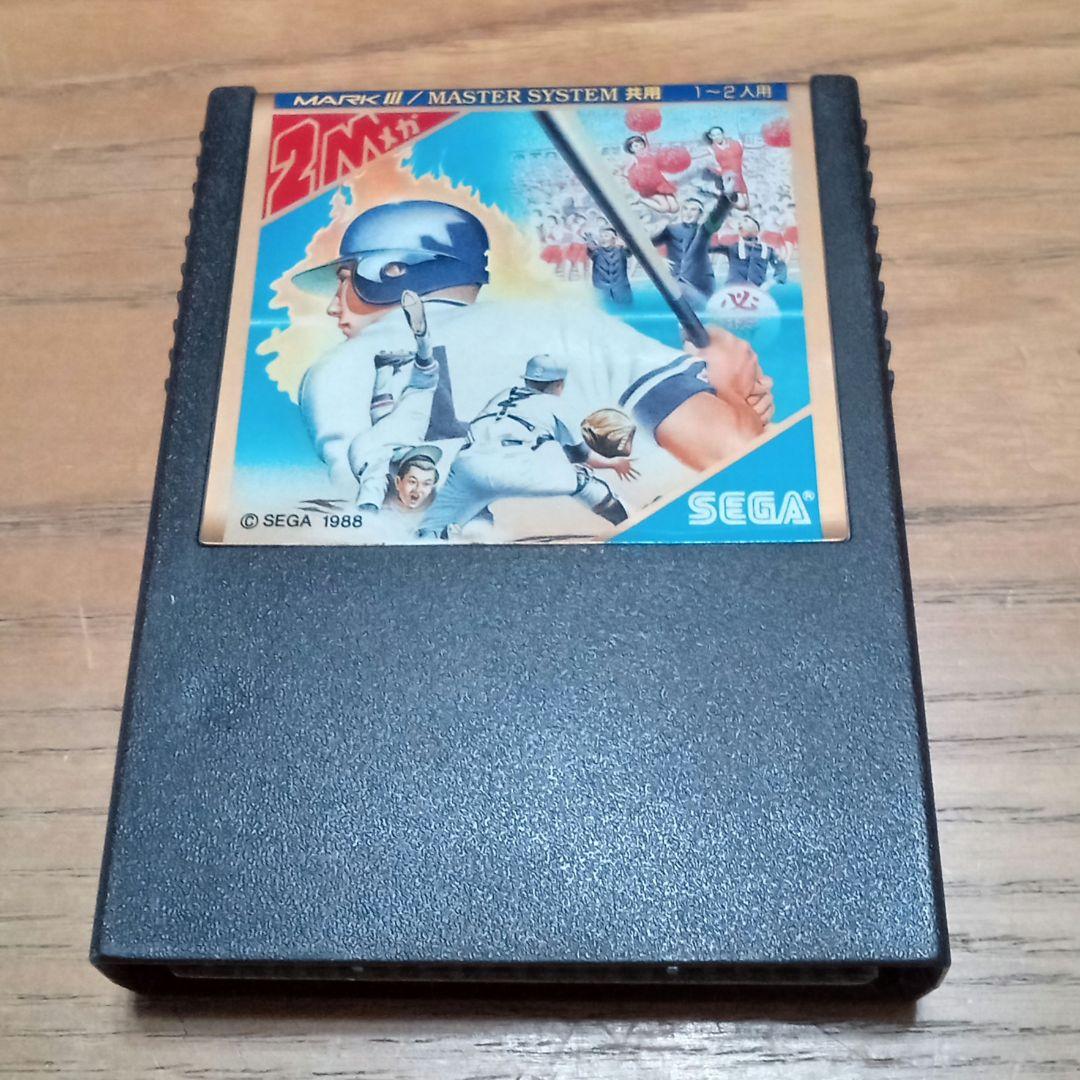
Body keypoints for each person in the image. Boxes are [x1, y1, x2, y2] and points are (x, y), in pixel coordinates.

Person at [294, 199, 774, 499]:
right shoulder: (566, 322)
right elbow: (736, 459)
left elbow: (365, 521)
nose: (334, 306)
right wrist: (729, 392)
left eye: (346, 280)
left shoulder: (333, 369)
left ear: (391, 272)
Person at [419, 355, 637, 539]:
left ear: (527, 379)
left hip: (466, 466)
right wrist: (613, 463)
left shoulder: (502, 395)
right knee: (581, 478)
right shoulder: (555, 403)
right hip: (512, 467)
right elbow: (580, 455)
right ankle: (630, 522)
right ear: (559, 384)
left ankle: (459, 532)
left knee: (429, 530)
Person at [651, 196, 732, 304]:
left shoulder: (703, 231)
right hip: (676, 283)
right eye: (685, 209)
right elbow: (646, 244)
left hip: (699, 286)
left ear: (700, 214)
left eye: (693, 210)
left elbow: (714, 220)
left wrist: (725, 202)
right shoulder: (671, 230)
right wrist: (657, 258)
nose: (688, 213)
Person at [713, 215, 788, 287]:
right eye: (739, 223)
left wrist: (771, 282)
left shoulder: (767, 249)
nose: (740, 224)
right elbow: (709, 247)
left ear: (756, 228)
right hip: (734, 291)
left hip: (756, 292)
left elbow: (781, 268)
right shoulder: (732, 247)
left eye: (745, 221)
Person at [623, 134, 679, 215]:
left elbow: (652, 148)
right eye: (636, 146)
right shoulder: (634, 159)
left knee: (675, 208)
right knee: (664, 208)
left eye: (641, 144)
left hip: (661, 184)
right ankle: (641, 200)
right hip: (650, 188)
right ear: (631, 149)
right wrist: (637, 178)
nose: (639, 147)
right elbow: (626, 172)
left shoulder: (650, 154)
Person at [702, 126, 750, 211]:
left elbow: (741, 154)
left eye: (718, 134)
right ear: (710, 136)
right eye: (714, 135)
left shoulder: (735, 143)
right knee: (742, 206)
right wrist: (721, 173)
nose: (717, 137)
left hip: (739, 175)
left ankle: (722, 196)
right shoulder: (711, 149)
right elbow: (711, 164)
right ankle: (722, 196)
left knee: (746, 205)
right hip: (728, 177)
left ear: (723, 134)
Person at [585, 226, 632, 306]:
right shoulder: (596, 252)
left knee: (625, 306)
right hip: (602, 288)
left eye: (606, 236)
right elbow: (590, 248)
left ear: (614, 238)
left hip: (621, 288)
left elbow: (630, 250)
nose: (603, 239)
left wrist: (625, 242)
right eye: (601, 236)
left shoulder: (621, 251)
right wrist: (589, 240)